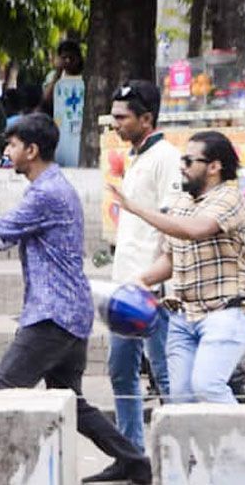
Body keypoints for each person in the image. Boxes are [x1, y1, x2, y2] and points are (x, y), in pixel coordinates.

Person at [0, 113, 151, 484]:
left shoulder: (47, 192)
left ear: (31, 151)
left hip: (52, 316)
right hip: (67, 313)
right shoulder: (47, 187)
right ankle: (133, 460)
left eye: (13, 145)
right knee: (71, 403)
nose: (7, 151)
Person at [110, 131, 245, 406]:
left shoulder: (229, 198)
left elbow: (194, 230)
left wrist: (135, 208)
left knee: (208, 387)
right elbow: (172, 257)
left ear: (214, 167)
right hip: (184, 316)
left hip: (225, 312)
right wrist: (141, 279)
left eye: (189, 161)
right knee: (180, 399)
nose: (181, 167)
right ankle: (199, 451)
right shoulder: (181, 202)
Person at [94, 81, 178, 465]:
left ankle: (176, 454)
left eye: (122, 118)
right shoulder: (137, 156)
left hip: (152, 289)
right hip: (125, 287)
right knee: (121, 372)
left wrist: (158, 280)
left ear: (147, 118)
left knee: (165, 376)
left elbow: (171, 223)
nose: (117, 125)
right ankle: (131, 455)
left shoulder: (166, 158)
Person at [43, 40, 86, 167]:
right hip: (61, 127)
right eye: (64, 58)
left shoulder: (87, 77)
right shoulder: (54, 77)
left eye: (71, 58)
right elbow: (46, 98)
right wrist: (58, 72)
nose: (68, 61)